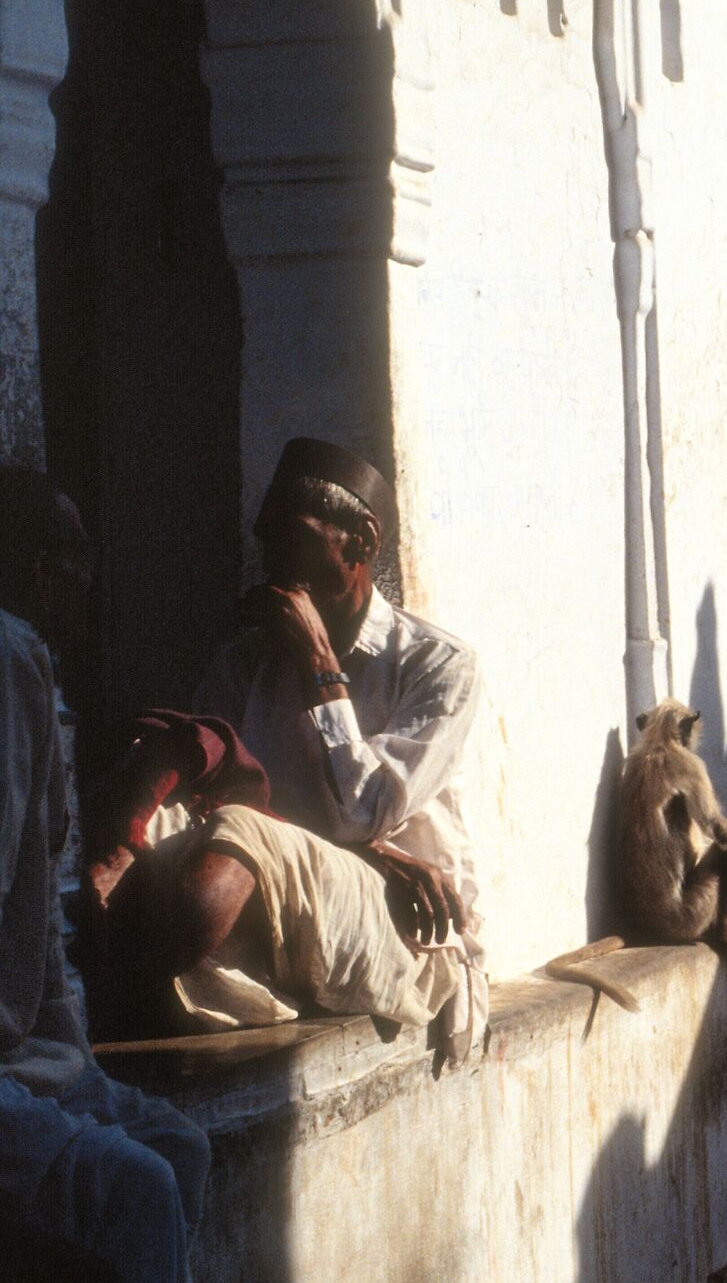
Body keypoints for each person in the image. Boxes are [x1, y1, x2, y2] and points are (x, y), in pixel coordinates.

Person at [82, 440, 488, 1067]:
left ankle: (116, 973)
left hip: (403, 922)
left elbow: (362, 811)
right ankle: (97, 981)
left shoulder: (439, 666)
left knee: (240, 833)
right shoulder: (247, 659)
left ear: (361, 543)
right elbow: (204, 789)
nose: (273, 565)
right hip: (291, 888)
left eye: (293, 539)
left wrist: (320, 665)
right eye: (266, 541)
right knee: (155, 810)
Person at [0, 468, 209, 1281]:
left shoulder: (35, 666)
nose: (84, 573)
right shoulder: (9, 654)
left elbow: (37, 929)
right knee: (140, 1186)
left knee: (175, 1145)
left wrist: (69, 1064)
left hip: (28, 1055)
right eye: (65, 552)